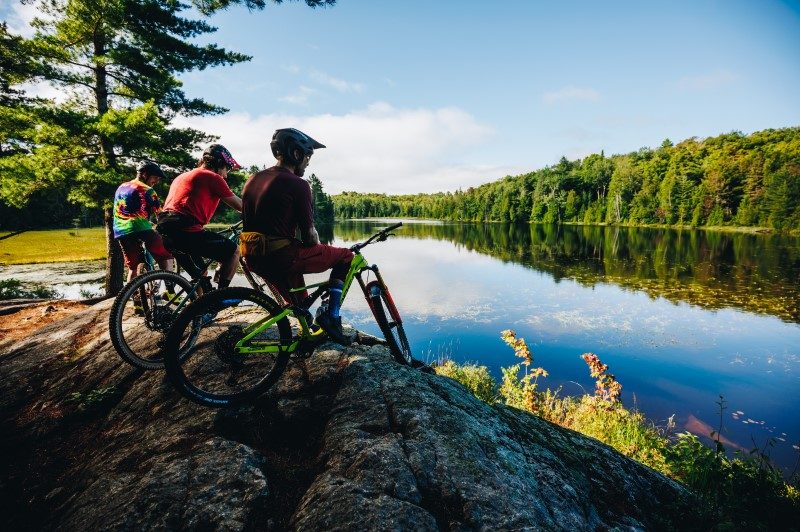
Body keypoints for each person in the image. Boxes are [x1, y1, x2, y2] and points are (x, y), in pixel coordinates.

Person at [240, 128, 353, 344]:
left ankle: (305, 336)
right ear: (296, 154)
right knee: (345, 256)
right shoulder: (298, 184)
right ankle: (332, 316)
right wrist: (319, 247)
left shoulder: (253, 179)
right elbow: (310, 237)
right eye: (308, 156)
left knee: (301, 306)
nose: (308, 162)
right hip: (281, 257)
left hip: (253, 257)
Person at [156, 144, 243, 291]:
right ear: (219, 163)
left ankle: (198, 310)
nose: (226, 174)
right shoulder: (212, 177)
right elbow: (241, 206)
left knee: (200, 275)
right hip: (186, 231)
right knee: (234, 251)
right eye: (226, 168)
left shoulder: (182, 176)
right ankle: (222, 295)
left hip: (166, 232)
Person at [112, 161, 176, 287]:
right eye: (155, 178)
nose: (156, 181)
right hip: (140, 228)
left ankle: (136, 302)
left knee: (133, 268)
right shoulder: (147, 190)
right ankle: (170, 290)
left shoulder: (122, 187)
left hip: (121, 231)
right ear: (145, 174)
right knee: (166, 256)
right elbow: (159, 214)